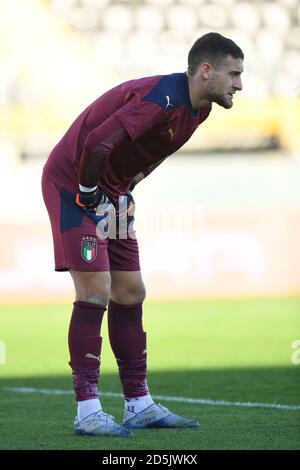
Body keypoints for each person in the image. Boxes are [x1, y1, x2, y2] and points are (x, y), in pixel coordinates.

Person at [42, 32, 244, 438]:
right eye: (233, 74)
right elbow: (97, 142)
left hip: (110, 190)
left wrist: (125, 190)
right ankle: (87, 411)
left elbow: (148, 156)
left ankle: (139, 404)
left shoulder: (198, 111)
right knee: (95, 290)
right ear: (206, 71)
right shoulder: (161, 99)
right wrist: (87, 194)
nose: (239, 84)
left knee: (131, 291)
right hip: (73, 183)